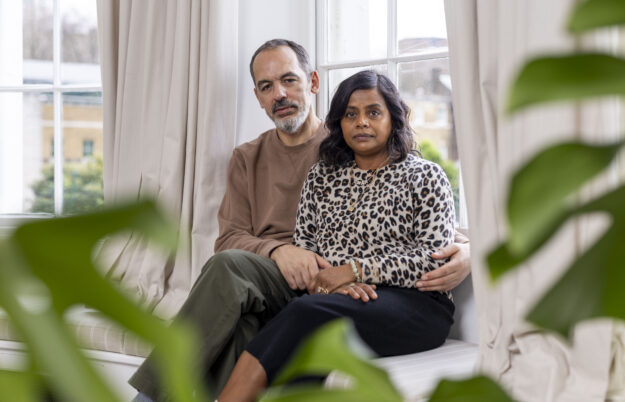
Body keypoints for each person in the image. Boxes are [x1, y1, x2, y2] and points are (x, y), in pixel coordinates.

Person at [129, 39, 470, 401]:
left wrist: (469, 249)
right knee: (230, 270)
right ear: (258, 97)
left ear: (313, 82)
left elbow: (434, 239)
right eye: (266, 86)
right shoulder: (274, 163)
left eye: (289, 80)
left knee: (265, 324)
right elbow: (229, 239)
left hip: (342, 289)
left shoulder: (363, 153)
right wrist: (281, 252)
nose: (279, 93)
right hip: (286, 280)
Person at [219, 70, 456, 401]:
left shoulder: (425, 176)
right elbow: (305, 248)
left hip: (416, 306)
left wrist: (354, 271)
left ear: (393, 118)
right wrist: (332, 282)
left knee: (305, 315)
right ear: (339, 122)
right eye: (350, 114)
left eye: (373, 112)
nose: (361, 122)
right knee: (308, 334)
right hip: (335, 298)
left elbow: (432, 261)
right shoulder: (321, 177)